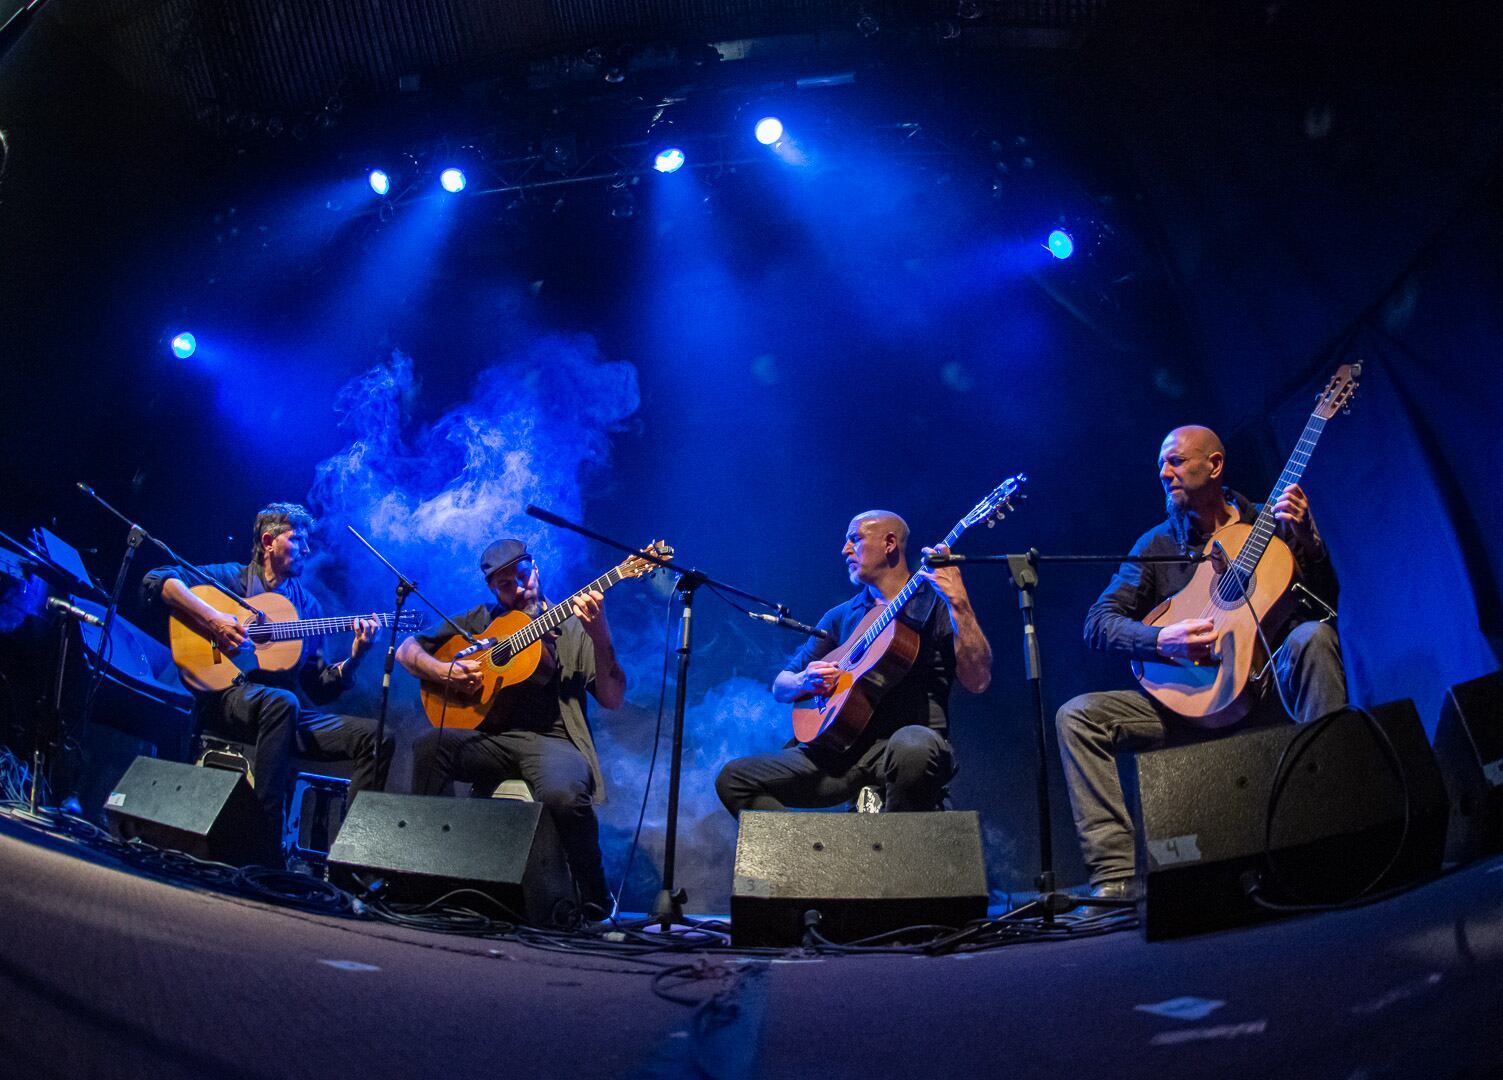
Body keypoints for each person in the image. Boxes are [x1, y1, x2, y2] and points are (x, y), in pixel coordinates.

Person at [1056, 425, 1348, 899]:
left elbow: (1326, 607)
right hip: (1184, 701)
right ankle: (1117, 879)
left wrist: (1310, 543)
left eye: (1175, 461)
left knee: (1312, 637)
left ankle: (1337, 819)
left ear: (1214, 466)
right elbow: (1098, 623)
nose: (1164, 473)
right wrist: (1161, 639)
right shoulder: (1155, 545)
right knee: (1078, 716)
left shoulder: (1271, 522)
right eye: (1161, 465)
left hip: (1262, 686)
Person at [142, 502, 393, 863]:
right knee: (283, 702)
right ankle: (264, 844)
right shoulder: (231, 579)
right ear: (268, 542)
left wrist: (355, 658)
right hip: (225, 697)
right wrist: (213, 620)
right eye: (298, 539)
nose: (307, 549)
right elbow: (157, 579)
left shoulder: (308, 608)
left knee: (377, 737)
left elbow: (318, 687)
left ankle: (354, 861)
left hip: (281, 714)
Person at [395, 538, 625, 913]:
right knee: (430, 746)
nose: (519, 588)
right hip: (492, 740)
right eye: (506, 585)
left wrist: (600, 634)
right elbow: (407, 650)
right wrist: (444, 671)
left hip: (553, 740)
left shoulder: (572, 624)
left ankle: (596, 900)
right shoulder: (481, 620)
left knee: (565, 795)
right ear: (492, 590)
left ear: (536, 569)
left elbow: (613, 698)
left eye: (523, 576)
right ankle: (428, 875)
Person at [716, 510, 992, 816]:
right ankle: (806, 846)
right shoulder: (840, 616)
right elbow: (781, 687)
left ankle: (899, 841)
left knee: (912, 746)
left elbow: (978, 680)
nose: (845, 550)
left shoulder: (935, 604)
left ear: (889, 543)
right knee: (734, 779)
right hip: (839, 754)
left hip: (907, 749)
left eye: (854, 539)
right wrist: (804, 680)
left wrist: (959, 603)